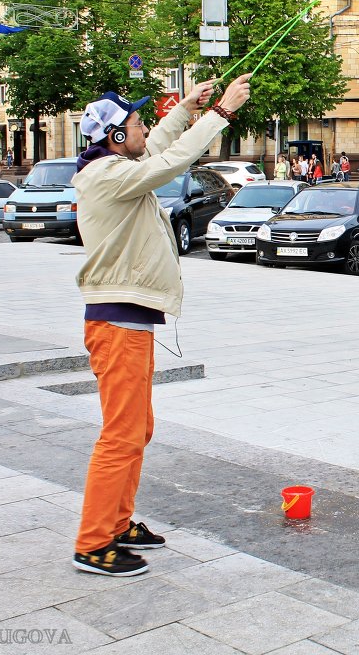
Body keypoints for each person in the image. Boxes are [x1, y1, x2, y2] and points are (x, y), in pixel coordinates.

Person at [70, 73, 252, 577]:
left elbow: (157, 146)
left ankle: (117, 521)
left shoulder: (116, 164)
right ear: (114, 137)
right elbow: (171, 160)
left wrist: (188, 108)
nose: (144, 128)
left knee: (137, 428)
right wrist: (222, 114)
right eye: (136, 123)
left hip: (132, 320)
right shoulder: (108, 176)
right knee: (121, 435)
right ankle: (92, 543)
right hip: (118, 322)